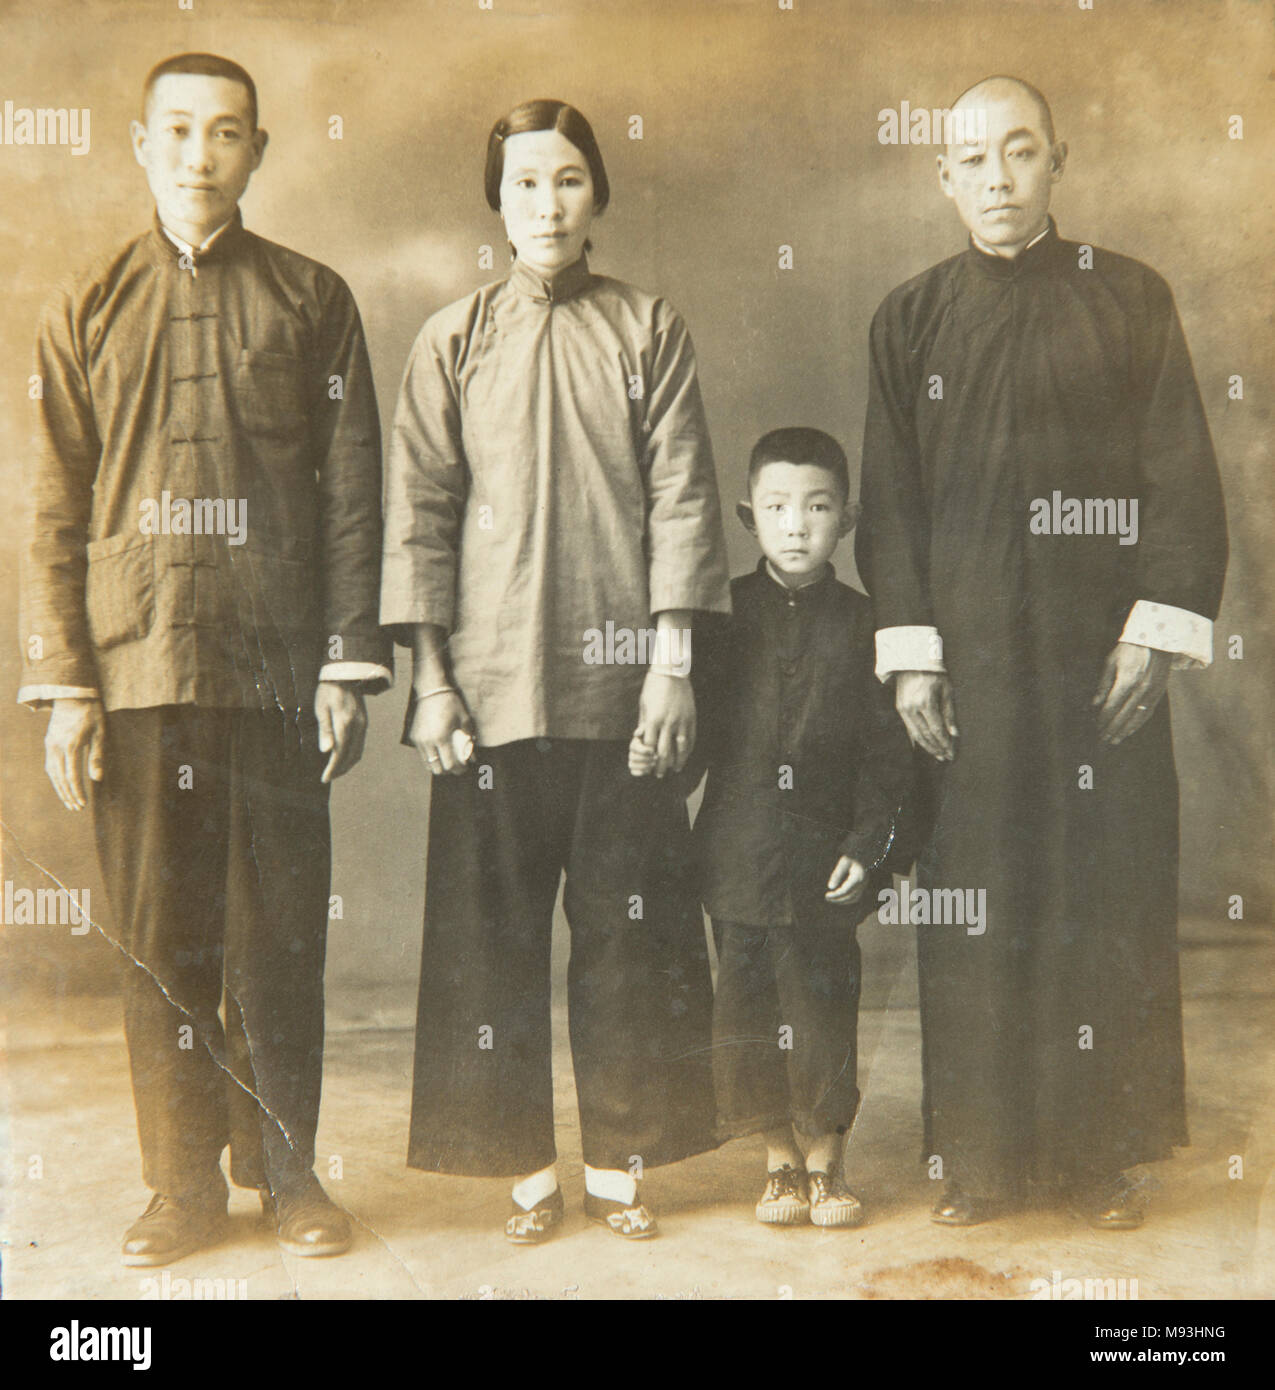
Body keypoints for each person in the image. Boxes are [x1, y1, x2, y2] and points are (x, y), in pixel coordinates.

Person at [19, 52, 390, 1265]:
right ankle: (180, 1189)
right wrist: (67, 683)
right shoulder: (86, 301)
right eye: (176, 130)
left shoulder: (311, 298)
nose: (198, 153)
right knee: (163, 942)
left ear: (258, 152)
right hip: (135, 679)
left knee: (281, 935)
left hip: (277, 672)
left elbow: (350, 497)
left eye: (224, 133)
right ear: (139, 144)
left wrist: (345, 663)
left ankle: (291, 1177)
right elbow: (55, 503)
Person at [856, 76, 1228, 1228]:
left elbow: (1179, 478)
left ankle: (1103, 1153)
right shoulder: (909, 319)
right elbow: (891, 506)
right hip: (968, 679)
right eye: (972, 160)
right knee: (977, 897)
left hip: (1096, 669)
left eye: (1020, 153)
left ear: (1056, 161)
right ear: (943, 174)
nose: (998, 180)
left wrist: (1153, 636)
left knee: (1100, 894)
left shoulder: (1128, 298)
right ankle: (979, 1159)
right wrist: (913, 655)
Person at [380, 99, 731, 1242]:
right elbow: (419, 519)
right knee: (492, 937)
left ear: (598, 196)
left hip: (624, 687)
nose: (548, 203)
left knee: (632, 929)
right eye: (526, 182)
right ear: (497, 199)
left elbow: (683, 499)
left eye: (570, 179)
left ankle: (625, 1159)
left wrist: (672, 668)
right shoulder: (453, 338)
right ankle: (522, 1163)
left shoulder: (647, 327)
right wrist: (431, 682)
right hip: (483, 696)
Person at [633, 428, 912, 1227]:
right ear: (747, 515)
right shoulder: (718, 618)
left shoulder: (867, 625)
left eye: (817, 508)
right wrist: (652, 757)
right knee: (747, 1006)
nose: (797, 526)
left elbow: (884, 757)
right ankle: (778, 1165)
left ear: (847, 519)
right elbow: (693, 741)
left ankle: (827, 1161)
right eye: (779, 507)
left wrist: (868, 847)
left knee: (821, 1004)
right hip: (736, 851)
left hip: (825, 858)